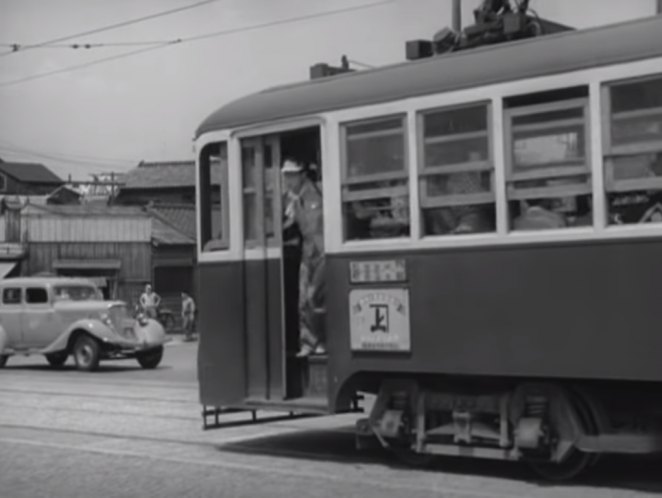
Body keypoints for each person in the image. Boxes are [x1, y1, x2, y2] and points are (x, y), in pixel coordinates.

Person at [281, 158, 325, 357]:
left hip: (321, 251)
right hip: (308, 253)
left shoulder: (315, 194)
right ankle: (309, 342)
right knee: (304, 299)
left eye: (291, 175)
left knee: (315, 297)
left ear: (302, 175)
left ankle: (320, 340)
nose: (288, 180)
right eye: (286, 175)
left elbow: (314, 226)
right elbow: (289, 225)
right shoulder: (293, 198)